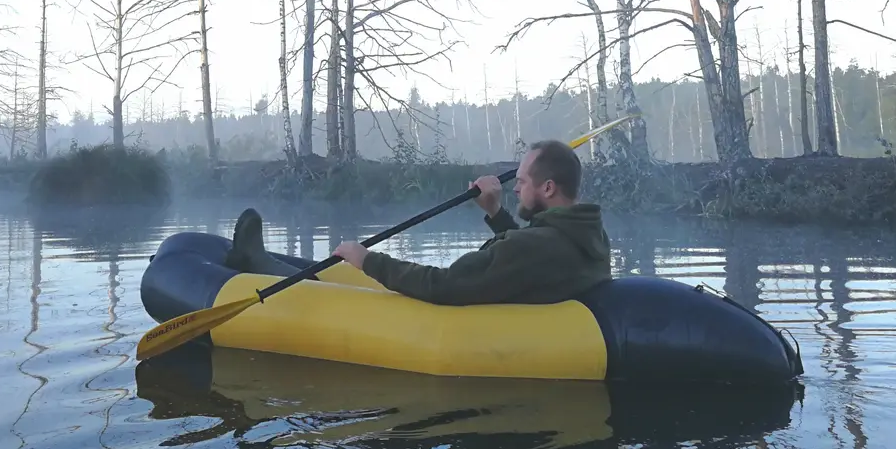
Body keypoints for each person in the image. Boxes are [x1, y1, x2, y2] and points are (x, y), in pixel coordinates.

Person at [224, 139, 611, 305]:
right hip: (506, 303)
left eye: (522, 182)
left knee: (350, 286)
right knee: (342, 274)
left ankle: (255, 265)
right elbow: (528, 257)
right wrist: (495, 212)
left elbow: (442, 284)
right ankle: (267, 262)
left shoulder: (538, 246)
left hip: (453, 313)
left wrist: (368, 260)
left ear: (547, 187)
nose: (516, 188)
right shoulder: (584, 237)